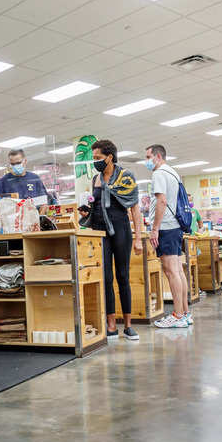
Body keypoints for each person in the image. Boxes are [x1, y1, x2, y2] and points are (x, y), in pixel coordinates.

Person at [79, 139, 143, 340]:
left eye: (98, 158)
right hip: (100, 232)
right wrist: (85, 211)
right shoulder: (96, 180)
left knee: (123, 276)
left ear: (110, 157)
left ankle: (129, 325)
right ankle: (111, 324)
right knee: (106, 278)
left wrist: (138, 237)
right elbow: (94, 205)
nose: (95, 162)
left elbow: (134, 208)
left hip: (121, 230)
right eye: (94, 158)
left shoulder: (126, 176)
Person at [144, 144, 191, 329]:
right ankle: (185, 313)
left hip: (167, 227)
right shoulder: (172, 172)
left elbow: (162, 201)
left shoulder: (158, 174)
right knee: (178, 270)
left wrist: (155, 229)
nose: (146, 160)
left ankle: (178, 315)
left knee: (171, 271)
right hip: (176, 227)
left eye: (148, 157)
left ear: (157, 156)